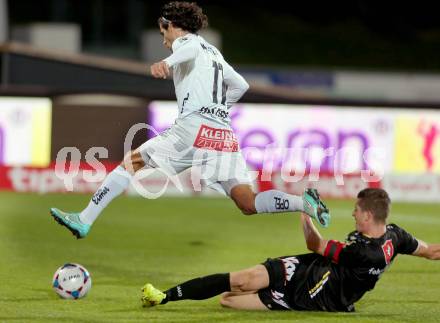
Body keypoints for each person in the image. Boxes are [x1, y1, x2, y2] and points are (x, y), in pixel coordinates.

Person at [49, 1, 330, 239]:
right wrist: (219, 109)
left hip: (193, 128)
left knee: (131, 163)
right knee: (246, 201)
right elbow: (241, 84)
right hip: (222, 134)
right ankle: (302, 202)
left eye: (163, 32)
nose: (164, 40)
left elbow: (188, 49)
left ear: (171, 24)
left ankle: (85, 219)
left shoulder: (188, 43)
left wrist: (168, 63)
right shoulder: (215, 53)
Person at [141, 188, 440, 312]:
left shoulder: (364, 253)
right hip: (308, 266)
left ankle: (173, 295)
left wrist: (304, 213)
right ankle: (164, 296)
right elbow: (429, 251)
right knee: (243, 279)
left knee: (228, 301)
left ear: (367, 216)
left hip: (315, 296)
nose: (352, 215)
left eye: (355, 210)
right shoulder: (395, 236)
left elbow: (314, 243)